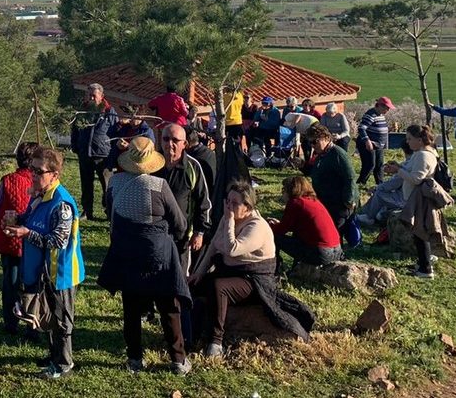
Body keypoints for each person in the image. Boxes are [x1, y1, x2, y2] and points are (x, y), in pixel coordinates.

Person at [98, 137, 192, 376]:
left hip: (127, 252)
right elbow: (180, 223)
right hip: (157, 254)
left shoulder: (114, 182)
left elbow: (110, 211)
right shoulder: (159, 185)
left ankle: (134, 358)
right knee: (168, 308)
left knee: (131, 308)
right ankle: (178, 360)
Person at [189, 181, 313, 357]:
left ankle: (216, 341)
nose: (229, 206)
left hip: (254, 280)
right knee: (194, 285)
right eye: (227, 201)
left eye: (234, 203)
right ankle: (192, 333)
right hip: (231, 272)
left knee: (219, 287)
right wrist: (199, 273)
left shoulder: (257, 226)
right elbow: (214, 246)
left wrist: (230, 221)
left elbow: (232, 249)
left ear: (247, 207)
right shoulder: (228, 218)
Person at [3, 147, 85, 380]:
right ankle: (54, 355)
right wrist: (17, 220)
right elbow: (31, 221)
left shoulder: (62, 204)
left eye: (39, 171)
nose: (33, 175)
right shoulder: (38, 196)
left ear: (54, 175)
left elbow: (58, 241)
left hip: (61, 272)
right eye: (32, 169)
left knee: (61, 320)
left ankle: (63, 365)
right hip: (43, 271)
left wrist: (26, 233)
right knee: (48, 316)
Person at [0, 142, 38, 336]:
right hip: (34, 240)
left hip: (11, 239)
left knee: (11, 281)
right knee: (33, 282)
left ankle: (11, 323)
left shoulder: (8, 180)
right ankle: (33, 322)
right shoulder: (40, 182)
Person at [154, 124, 212, 271]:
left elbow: (203, 202)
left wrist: (199, 232)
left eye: (175, 140)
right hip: (155, 232)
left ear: (184, 144)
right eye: (166, 139)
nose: (169, 144)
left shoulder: (193, 167)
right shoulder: (152, 165)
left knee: (179, 275)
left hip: (182, 236)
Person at [389, 124, 443, 278]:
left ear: (419, 140)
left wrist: (398, 170)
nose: (407, 142)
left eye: (409, 139)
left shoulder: (423, 155)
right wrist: (399, 167)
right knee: (418, 232)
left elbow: (416, 178)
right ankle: (422, 262)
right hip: (417, 198)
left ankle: (425, 269)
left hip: (419, 200)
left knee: (420, 233)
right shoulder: (422, 153)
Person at [268, 176, 343, 269]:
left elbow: (281, 230)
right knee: (297, 237)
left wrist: (269, 226)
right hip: (337, 249)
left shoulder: (295, 203)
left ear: (290, 190)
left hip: (321, 252)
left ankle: (274, 268)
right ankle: (295, 268)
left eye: (284, 190)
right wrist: (279, 224)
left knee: (274, 237)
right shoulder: (313, 200)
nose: (282, 193)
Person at [298, 125, 358, 230]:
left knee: (337, 230)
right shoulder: (321, 155)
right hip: (326, 200)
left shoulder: (338, 154)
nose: (312, 145)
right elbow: (315, 172)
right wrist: (303, 166)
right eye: (310, 142)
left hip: (339, 203)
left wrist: (349, 200)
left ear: (326, 138)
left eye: (315, 141)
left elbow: (350, 177)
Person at [73, 83, 118, 220]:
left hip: (103, 154)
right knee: (86, 184)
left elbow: (116, 130)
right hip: (85, 152)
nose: (91, 98)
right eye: (89, 95)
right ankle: (87, 211)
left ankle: (109, 211)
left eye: (94, 95)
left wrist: (114, 151)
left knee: (107, 185)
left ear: (101, 96)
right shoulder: (82, 111)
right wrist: (75, 146)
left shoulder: (109, 111)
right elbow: (75, 130)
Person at [355, 97, 393, 185]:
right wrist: (367, 141)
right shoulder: (370, 115)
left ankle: (380, 185)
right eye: (387, 108)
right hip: (368, 144)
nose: (388, 110)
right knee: (370, 165)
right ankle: (360, 184)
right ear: (380, 106)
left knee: (379, 166)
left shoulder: (380, 115)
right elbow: (361, 128)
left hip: (378, 145)